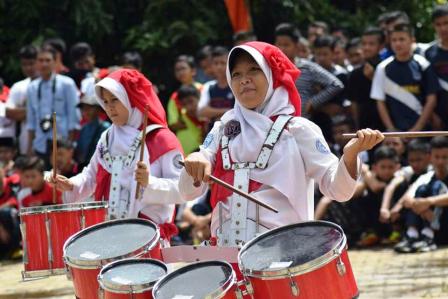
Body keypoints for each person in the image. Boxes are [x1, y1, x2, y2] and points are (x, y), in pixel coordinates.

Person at [179, 41, 384, 247]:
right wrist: (196, 160)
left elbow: (338, 191)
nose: (244, 80)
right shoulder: (222, 128)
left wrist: (349, 156)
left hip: (285, 254)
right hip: (227, 253)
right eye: (236, 74)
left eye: (254, 70)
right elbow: (189, 190)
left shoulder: (298, 130)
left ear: (272, 75)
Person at [51, 69, 184, 241]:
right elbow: (91, 176)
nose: (109, 107)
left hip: (149, 237)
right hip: (111, 235)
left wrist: (149, 183)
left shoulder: (161, 139)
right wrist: (71, 184)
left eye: (115, 100)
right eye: (105, 102)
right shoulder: (107, 137)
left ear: (131, 100)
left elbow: (182, 189)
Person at [371, 24, 439, 132]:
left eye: (402, 39)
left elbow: (431, 99)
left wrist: (417, 129)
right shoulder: (383, 67)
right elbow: (380, 102)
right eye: (394, 40)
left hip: (422, 131)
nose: (398, 43)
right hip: (395, 133)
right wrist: (392, 130)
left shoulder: (423, 65)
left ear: (412, 40)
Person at [274, 23, 344, 117]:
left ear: (296, 45)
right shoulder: (272, 68)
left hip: (303, 122)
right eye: (279, 44)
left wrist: (313, 102)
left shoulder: (307, 67)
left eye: (286, 45)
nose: (282, 48)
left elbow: (336, 84)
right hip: (277, 124)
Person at [26, 45, 80, 167]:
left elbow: (74, 117)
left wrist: (70, 146)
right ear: (36, 63)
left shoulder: (67, 84)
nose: (44, 64)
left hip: (62, 143)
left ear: (55, 62)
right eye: (40, 60)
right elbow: (31, 121)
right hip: (40, 143)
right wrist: (30, 148)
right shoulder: (32, 87)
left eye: (48, 60)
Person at [396, 136, 448, 252]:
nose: (441, 161)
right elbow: (407, 199)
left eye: (445, 157)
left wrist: (428, 202)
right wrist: (423, 207)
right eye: (437, 157)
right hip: (431, 220)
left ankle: (428, 237)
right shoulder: (426, 177)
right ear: (430, 158)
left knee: (436, 187)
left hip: (444, 224)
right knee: (422, 190)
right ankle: (413, 235)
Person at [354, 146, 401, 246]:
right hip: (376, 218)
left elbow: (385, 187)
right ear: (375, 167)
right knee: (363, 200)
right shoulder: (371, 178)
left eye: (390, 167)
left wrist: (366, 173)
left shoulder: (399, 178)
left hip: (393, 216)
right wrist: (366, 175)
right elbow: (374, 187)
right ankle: (372, 233)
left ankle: (397, 232)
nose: (386, 171)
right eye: (383, 167)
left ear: (397, 167)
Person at [1, 45, 39, 155]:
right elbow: (8, 113)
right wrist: (37, 110)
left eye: (31, 63)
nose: (28, 68)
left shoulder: (50, 85)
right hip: (24, 142)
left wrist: (23, 112)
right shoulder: (19, 86)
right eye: (24, 65)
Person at [348, 27, 385, 131]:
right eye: (364, 44)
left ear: (381, 46)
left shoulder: (388, 69)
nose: (366, 47)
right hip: (365, 128)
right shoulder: (355, 74)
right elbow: (354, 105)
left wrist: (374, 78)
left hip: (387, 127)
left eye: (371, 44)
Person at [197, 46, 235, 130]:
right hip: (214, 136)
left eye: (222, 63)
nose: (219, 67)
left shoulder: (236, 85)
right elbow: (201, 112)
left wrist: (212, 112)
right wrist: (229, 111)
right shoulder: (208, 87)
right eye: (216, 63)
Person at [75, 81, 110, 169]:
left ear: (98, 110)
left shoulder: (106, 128)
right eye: (83, 109)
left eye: (89, 109)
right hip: (86, 168)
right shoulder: (84, 129)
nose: (86, 112)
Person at [425, 5, 448, 130]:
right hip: (439, 120)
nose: (443, 28)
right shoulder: (429, 53)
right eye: (438, 24)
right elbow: (426, 88)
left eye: (446, 23)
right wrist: (432, 115)